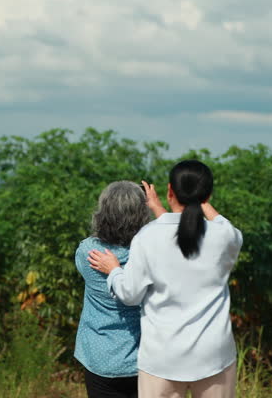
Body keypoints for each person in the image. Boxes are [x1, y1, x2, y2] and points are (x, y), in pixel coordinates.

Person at [88, 160, 243, 398]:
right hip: (214, 355)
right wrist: (195, 200)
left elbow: (129, 295)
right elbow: (208, 224)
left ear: (170, 190)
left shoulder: (147, 238)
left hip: (162, 358)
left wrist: (114, 271)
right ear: (208, 195)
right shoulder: (225, 236)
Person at [75, 180, 165, 398]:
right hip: (144, 359)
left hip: (99, 357)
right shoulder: (152, 252)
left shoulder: (88, 252)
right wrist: (157, 207)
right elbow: (171, 235)